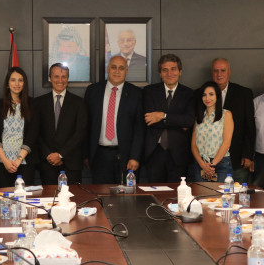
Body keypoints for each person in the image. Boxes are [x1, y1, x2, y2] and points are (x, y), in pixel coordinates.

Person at [84, 55, 145, 183]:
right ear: (108, 69)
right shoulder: (93, 91)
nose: (117, 71)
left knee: (127, 194)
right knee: (101, 193)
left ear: (126, 71)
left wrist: (135, 157)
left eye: (121, 68)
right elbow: (86, 125)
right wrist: (86, 155)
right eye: (114, 67)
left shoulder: (136, 93)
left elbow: (139, 129)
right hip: (99, 155)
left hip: (126, 157)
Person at [29, 63, 88, 184]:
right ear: (50, 78)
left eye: (64, 76)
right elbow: (35, 133)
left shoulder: (79, 103)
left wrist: (61, 155)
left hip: (71, 163)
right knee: (49, 196)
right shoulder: (38, 103)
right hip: (47, 163)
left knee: (73, 196)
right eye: (56, 76)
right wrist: (49, 155)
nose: (60, 80)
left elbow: (80, 133)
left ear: (68, 78)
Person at [143, 54, 195, 182]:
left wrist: (162, 116)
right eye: (165, 70)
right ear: (160, 73)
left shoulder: (189, 94)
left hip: (179, 154)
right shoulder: (149, 91)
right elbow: (149, 120)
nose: (169, 73)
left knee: (177, 192)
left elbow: (189, 121)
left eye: (173, 69)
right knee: (154, 191)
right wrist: (178, 122)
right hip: (154, 153)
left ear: (180, 72)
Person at [211, 58, 256, 183]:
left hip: (237, 158)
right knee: (212, 193)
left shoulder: (244, 93)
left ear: (229, 72)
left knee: (238, 193)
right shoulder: (202, 94)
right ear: (211, 73)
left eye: (223, 70)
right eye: (216, 71)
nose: (219, 74)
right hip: (210, 159)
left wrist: (248, 155)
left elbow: (249, 126)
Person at [0, 67, 36, 186]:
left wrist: (18, 160)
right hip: (2, 162)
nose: (17, 84)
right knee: (5, 197)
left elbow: (33, 134)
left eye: (20, 80)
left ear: (24, 84)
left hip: (25, 163)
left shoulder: (32, 104)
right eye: (13, 80)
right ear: (7, 83)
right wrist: (5, 160)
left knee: (24, 196)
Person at [191, 81, 234, 182]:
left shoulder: (226, 114)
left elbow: (226, 143)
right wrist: (203, 164)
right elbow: (193, 145)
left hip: (221, 164)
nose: (207, 98)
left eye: (211, 94)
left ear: (217, 96)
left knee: (221, 192)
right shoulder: (199, 117)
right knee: (201, 192)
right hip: (201, 164)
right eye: (204, 95)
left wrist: (211, 165)